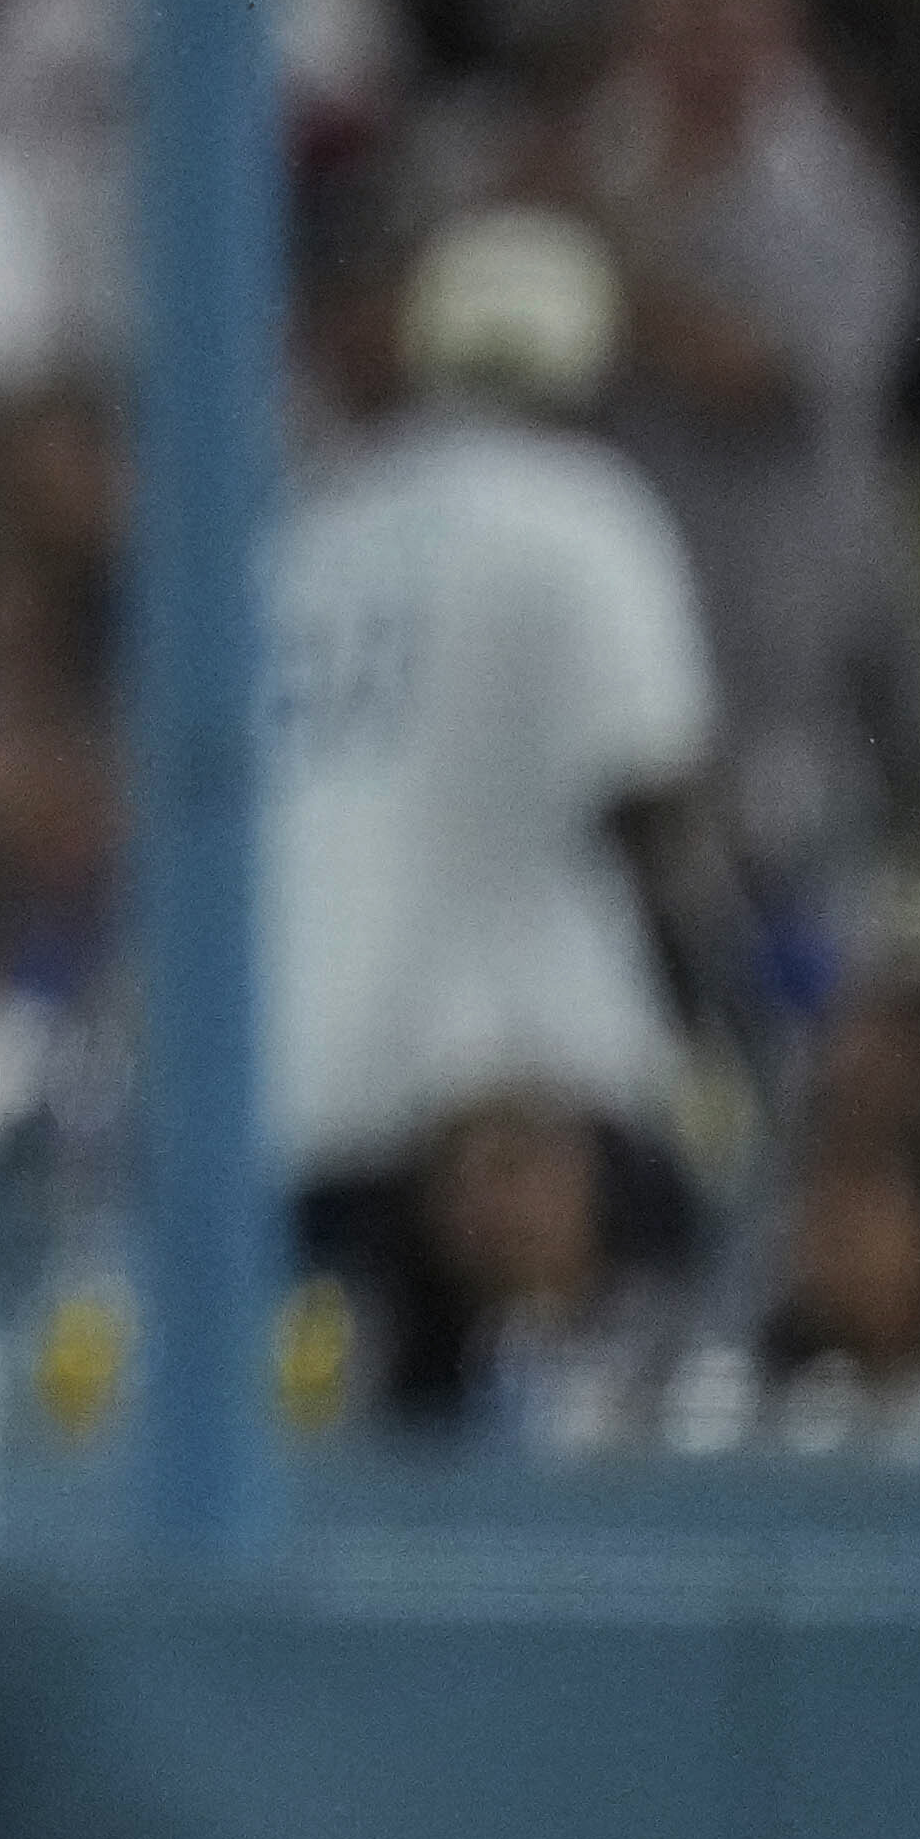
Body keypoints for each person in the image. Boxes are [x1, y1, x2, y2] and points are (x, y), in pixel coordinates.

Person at [267, 203, 726, 1422]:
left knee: (371, 1490)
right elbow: (650, 801)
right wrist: (714, 1030)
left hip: (301, 1097)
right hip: (522, 1098)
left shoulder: (317, 531)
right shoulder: (580, 506)